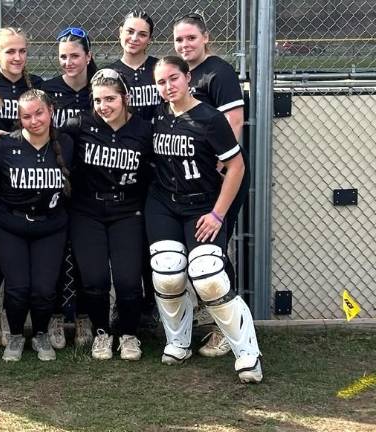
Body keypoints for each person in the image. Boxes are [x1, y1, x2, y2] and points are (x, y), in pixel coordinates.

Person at [148, 56, 262, 383]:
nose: (168, 86)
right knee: (167, 271)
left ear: (188, 78)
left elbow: (237, 167)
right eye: (161, 82)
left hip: (203, 206)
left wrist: (217, 214)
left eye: (174, 78)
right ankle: (178, 342)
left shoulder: (210, 118)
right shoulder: (157, 115)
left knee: (208, 275)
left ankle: (248, 353)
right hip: (163, 204)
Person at [173, 12, 251, 358]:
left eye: (191, 37)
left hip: (220, 178)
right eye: (179, 39)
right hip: (193, 181)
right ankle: (214, 317)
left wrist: (217, 168)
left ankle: (230, 329)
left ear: (206, 38)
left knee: (212, 252)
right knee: (199, 252)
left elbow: (234, 122)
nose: (185, 44)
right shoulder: (182, 73)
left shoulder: (218, 72)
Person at [61, 69, 152, 361]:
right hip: (87, 211)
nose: (103, 106)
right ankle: (102, 332)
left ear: (125, 98)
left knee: (128, 281)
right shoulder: (79, 125)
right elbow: (45, 138)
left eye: (110, 99)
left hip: (127, 211)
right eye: (98, 100)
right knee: (95, 280)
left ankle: (129, 334)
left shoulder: (143, 130)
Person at [0, 89, 72, 362]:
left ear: (51, 111)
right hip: (9, 224)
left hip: (50, 225)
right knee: (18, 286)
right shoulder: (4, 145)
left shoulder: (67, 143)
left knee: (44, 289)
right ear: (19, 118)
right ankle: (16, 335)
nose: (34, 121)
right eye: (26, 116)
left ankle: (41, 333)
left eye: (39, 113)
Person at [0, 27, 43, 349]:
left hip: (28, 181)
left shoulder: (36, 85)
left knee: (17, 249)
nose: (17, 57)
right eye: (9, 51)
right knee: (1, 249)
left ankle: (13, 314)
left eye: (22, 51)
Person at [41, 26, 97, 348]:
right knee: (56, 252)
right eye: (63, 56)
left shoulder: (99, 88)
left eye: (75, 55)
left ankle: (85, 315)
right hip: (55, 183)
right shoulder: (48, 89)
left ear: (88, 56)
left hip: (91, 182)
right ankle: (54, 317)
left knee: (85, 253)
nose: (68, 62)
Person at [104, 11, 159, 330]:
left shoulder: (159, 69)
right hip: (122, 165)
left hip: (157, 161)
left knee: (151, 238)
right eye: (129, 31)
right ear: (120, 32)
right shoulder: (110, 72)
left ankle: (151, 304)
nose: (134, 38)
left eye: (141, 33)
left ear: (150, 39)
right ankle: (124, 303)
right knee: (127, 243)